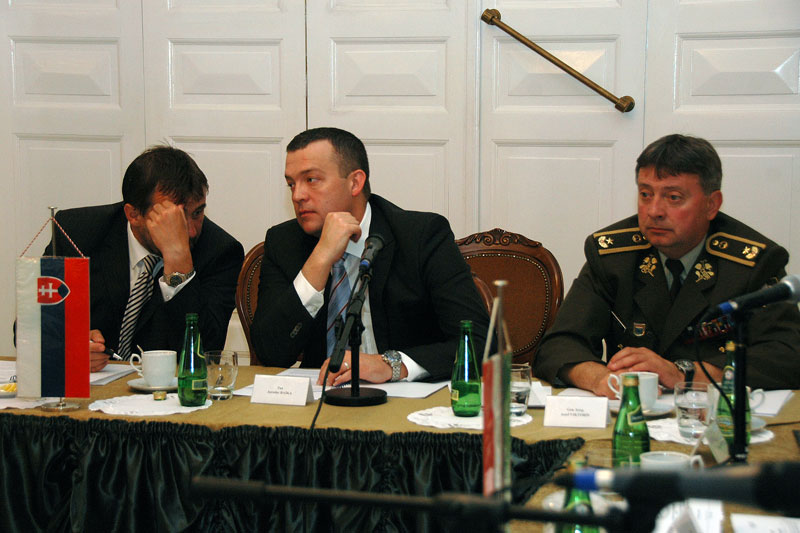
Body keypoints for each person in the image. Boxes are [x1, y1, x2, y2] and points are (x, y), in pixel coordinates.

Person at [534, 134, 800, 394]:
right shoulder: (613, 256)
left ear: (711, 205)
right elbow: (558, 345)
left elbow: (787, 357)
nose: (654, 211)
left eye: (673, 197)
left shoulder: (752, 263)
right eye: (645, 194)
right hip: (632, 412)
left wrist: (685, 374)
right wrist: (601, 379)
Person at [251, 127, 490, 385]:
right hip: (322, 398)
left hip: (405, 400)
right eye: (291, 184)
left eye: (311, 180)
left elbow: (479, 342)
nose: (297, 195)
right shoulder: (284, 242)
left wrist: (391, 365)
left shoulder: (420, 236)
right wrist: (319, 258)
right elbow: (270, 352)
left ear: (355, 182)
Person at [45, 146, 244, 372]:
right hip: (93, 385)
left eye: (197, 213)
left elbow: (206, 352)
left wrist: (179, 264)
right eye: (171, 218)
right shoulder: (76, 233)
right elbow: (29, 327)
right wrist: (69, 346)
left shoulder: (220, 251)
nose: (189, 231)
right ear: (133, 214)